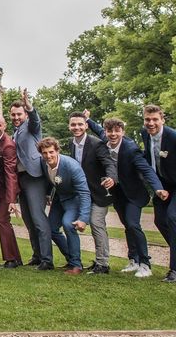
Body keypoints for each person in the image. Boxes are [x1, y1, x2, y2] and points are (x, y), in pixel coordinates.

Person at [87, 116, 167, 278]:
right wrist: (87, 120)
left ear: (123, 132)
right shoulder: (105, 141)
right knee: (127, 226)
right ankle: (133, 260)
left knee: (133, 224)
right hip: (118, 194)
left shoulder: (131, 149)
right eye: (110, 131)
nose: (113, 134)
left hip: (134, 194)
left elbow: (146, 170)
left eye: (117, 131)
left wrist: (157, 188)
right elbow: (98, 129)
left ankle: (145, 264)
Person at [68, 111, 118, 274]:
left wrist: (111, 177)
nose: (77, 127)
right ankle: (77, 261)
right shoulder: (71, 144)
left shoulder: (96, 144)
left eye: (80, 124)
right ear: (69, 126)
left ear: (86, 126)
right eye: (73, 124)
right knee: (69, 222)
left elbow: (109, 163)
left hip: (98, 193)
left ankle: (103, 264)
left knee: (96, 223)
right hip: (81, 194)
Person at [10, 88, 53, 270]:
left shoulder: (31, 126)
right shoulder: (16, 131)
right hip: (22, 178)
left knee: (38, 218)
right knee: (28, 219)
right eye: (13, 114)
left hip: (34, 176)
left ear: (25, 114)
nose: (16, 117)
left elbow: (35, 119)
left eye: (19, 114)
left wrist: (29, 106)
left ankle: (47, 259)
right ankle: (36, 255)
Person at [38, 137, 90, 275]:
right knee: (51, 228)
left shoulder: (71, 166)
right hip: (59, 199)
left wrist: (83, 218)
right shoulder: (44, 164)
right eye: (44, 153)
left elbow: (84, 192)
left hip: (74, 199)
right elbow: (50, 181)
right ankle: (71, 258)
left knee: (68, 224)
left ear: (57, 151)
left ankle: (76, 266)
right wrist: (48, 194)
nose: (48, 156)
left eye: (51, 152)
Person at [141, 104, 176, 283]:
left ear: (162, 119)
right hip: (162, 185)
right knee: (159, 220)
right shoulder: (145, 134)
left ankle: (174, 270)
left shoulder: (173, 136)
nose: (151, 123)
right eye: (148, 119)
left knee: (172, 217)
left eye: (155, 119)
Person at [0, 115, 22, 268]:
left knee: (2, 221)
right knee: (3, 221)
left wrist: (12, 199)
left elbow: (11, 173)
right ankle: (16, 258)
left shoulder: (8, 145)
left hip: (6, 190)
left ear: (5, 126)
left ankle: (11, 259)